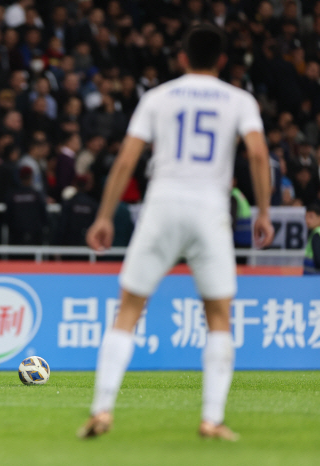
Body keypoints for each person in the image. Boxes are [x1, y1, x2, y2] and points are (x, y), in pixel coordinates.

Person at [79, 25, 274, 441]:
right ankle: (211, 419)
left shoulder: (158, 97)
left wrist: (105, 216)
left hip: (162, 204)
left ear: (183, 58)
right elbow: (258, 153)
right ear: (221, 60)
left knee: (129, 309)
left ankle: (102, 410)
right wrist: (263, 211)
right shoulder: (239, 100)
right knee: (218, 316)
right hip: (210, 208)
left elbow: (127, 160)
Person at [304, 202, 320, 275]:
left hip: (313, 278)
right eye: (306, 217)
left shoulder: (316, 234)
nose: (307, 220)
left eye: (311, 217)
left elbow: (318, 260)